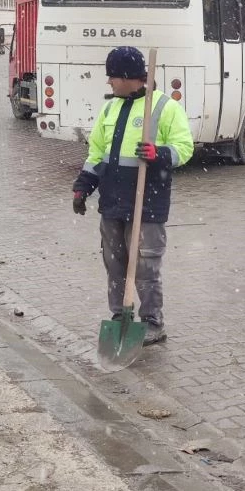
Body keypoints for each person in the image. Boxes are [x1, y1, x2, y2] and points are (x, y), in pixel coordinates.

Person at [71, 46, 194, 346]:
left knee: (145, 266)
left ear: (127, 77)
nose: (109, 82)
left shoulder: (165, 107)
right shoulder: (110, 108)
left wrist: (158, 154)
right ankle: (119, 317)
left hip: (147, 202)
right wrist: (83, 186)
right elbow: (97, 153)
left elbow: (185, 148)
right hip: (112, 203)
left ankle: (153, 322)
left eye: (112, 76)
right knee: (115, 264)